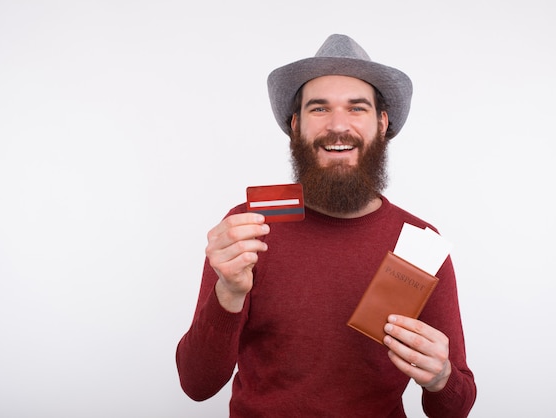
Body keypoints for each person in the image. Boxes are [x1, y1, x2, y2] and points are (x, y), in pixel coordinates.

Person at [176, 34, 476, 417]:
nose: (338, 126)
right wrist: (229, 292)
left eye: (357, 109)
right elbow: (196, 385)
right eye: (319, 109)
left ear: (382, 123)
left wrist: (440, 377)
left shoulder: (418, 243)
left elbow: (457, 405)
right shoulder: (249, 227)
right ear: (296, 125)